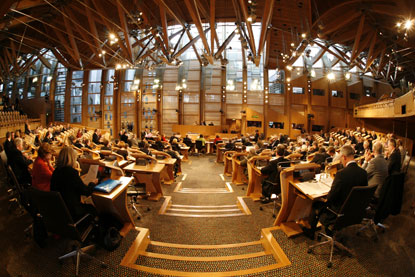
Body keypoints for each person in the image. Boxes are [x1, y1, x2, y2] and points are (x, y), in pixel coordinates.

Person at [304, 145, 368, 239]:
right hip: (354, 213)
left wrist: (323, 198)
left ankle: (310, 233)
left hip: (337, 214)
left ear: (344, 157)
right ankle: (329, 231)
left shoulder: (341, 174)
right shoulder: (363, 173)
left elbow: (330, 198)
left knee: (316, 204)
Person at [50, 147, 97, 221]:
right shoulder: (71, 172)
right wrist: (93, 183)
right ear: (71, 159)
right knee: (93, 208)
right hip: (73, 212)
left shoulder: (56, 172)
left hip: (60, 210)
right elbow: (86, 192)